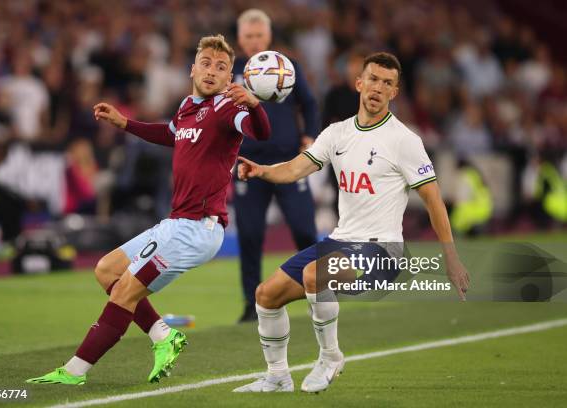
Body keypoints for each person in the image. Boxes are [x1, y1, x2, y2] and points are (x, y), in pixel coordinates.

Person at [26, 34, 271, 385]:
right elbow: (169, 134)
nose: (212, 71)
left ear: (229, 76)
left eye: (221, 67)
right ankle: (163, 335)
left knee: (125, 290)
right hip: (175, 223)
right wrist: (125, 123)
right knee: (106, 270)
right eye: (206, 63)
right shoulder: (188, 107)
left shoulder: (228, 107)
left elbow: (260, 133)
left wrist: (255, 104)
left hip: (198, 228)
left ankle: (75, 371)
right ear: (192, 69)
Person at [233, 52, 470, 393]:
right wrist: (261, 171)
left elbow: (434, 201)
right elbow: (296, 168)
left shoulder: (405, 141)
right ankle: (277, 376)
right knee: (266, 295)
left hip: (381, 249)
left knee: (316, 274)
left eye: (387, 83)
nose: (378, 88)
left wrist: (451, 256)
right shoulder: (337, 133)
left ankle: (331, 357)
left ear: (395, 92)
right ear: (359, 83)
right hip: (341, 241)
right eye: (373, 79)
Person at [233, 9, 320, 322]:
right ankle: (250, 305)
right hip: (246, 163)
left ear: (268, 36)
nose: (255, 41)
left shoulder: (287, 65)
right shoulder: (232, 71)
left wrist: (310, 137)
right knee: (250, 234)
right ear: (240, 38)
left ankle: (318, 293)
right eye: (249, 36)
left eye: (259, 35)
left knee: (303, 229)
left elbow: (309, 104)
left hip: (288, 162)